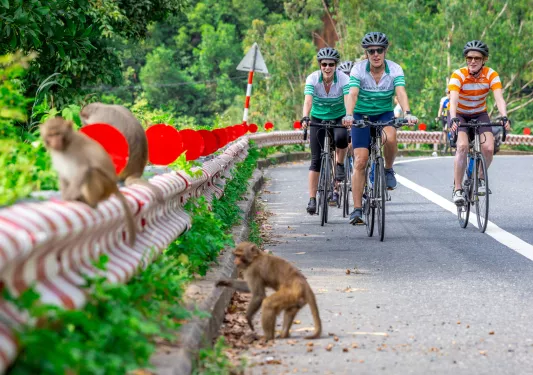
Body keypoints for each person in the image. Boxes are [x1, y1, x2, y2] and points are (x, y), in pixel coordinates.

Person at [343, 31, 418, 225]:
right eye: (371, 51)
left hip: (384, 114)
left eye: (380, 50)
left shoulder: (394, 69)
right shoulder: (358, 70)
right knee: (360, 160)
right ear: (366, 53)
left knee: (391, 138)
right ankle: (357, 209)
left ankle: (388, 169)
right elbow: (352, 93)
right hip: (361, 116)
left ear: (385, 51)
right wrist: (349, 115)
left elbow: (400, 92)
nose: (376, 54)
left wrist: (407, 112)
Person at [448, 40, 511, 205]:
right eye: (469, 58)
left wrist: (504, 116)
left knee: (489, 148)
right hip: (459, 114)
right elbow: (453, 100)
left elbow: (499, 97)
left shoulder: (491, 75)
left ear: (484, 60)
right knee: (462, 147)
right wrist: (453, 117)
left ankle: (481, 178)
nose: (473, 61)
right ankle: (458, 189)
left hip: (479, 113)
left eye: (477, 58)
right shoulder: (458, 75)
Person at [301, 47, 351, 215]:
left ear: (336, 65)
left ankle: (339, 164)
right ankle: (312, 199)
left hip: (338, 117)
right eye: (324, 64)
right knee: (315, 160)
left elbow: (347, 99)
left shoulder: (343, 79)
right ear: (320, 65)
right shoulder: (313, 79)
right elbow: (308, 101)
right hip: (318, 118)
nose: (327, 68)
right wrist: (305, 117)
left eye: (331, 64)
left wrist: (349, 116)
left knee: (342, 137)